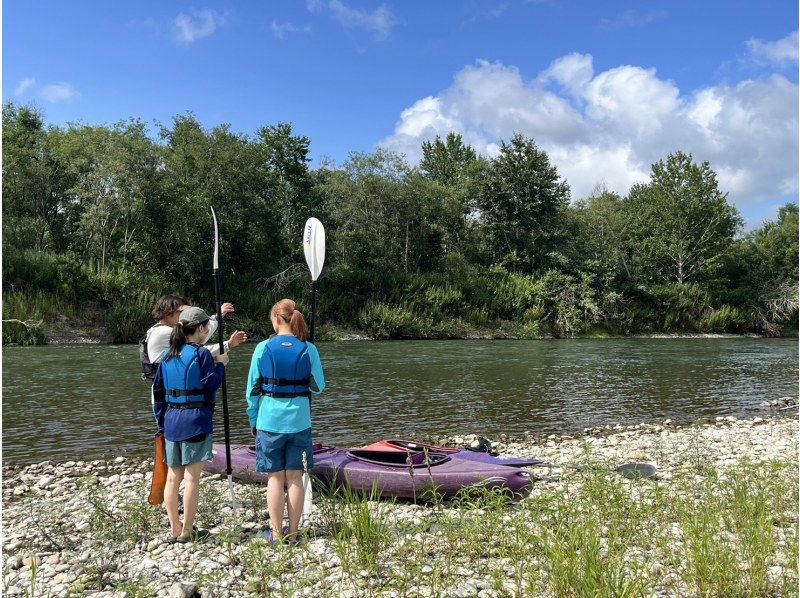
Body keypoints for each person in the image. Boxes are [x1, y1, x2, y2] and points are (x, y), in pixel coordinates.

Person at [246, 299, 326, 544]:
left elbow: (252, 390)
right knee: (294, 478)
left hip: (269, 421)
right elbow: (319, 386)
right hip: (299, 421)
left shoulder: (262, 348)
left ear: (275, 318)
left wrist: (252, 419)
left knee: (274, 477)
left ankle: (277, 534)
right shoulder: (308, 348)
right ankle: (293, 533)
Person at [152, 307, 228, 543]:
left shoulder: (167, 355)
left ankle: (175, 528)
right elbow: (210, 385)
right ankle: (187, 531)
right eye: (207, 328)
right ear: (203, 329)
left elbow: (158, 392)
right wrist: (222, 365)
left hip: (172, 421)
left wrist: (161, 423)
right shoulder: (202, 354)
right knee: (192, 478)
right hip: (195, 421)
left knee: (174, 477)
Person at [141, 294, 247, 384]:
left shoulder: (158, 330)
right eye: (181, 312)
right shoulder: (165, 333)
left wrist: (218, 316)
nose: (185, 315)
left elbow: (198, 338)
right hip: (168, 394)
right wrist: (228, 345)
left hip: (171, 390)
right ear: (168, 312)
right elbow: (196, 348)